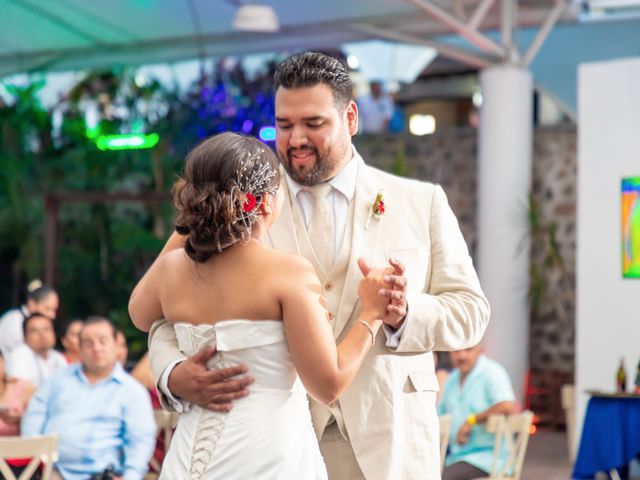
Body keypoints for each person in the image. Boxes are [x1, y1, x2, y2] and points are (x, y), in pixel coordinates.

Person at [148, 52, 490, 480]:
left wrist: (405, 312)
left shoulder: (420, 202)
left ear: (350, 117)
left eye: (313, 124)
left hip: (390, 442)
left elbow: (471, 312)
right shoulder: (241, 209)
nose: (295, 140)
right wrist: (172, 373)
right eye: (285, 125)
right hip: (279, 450)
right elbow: (169, 309)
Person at [129, 132, 392, 479]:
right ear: (266, 202)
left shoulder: (169, 271)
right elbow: (328, 384)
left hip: (188, 458)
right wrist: (372, 314)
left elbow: (139, 315)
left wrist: (194, 222)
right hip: (267, 456)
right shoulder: (287, 272)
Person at [21, 316, 156, 480]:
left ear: (116, 345)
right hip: (50, 472)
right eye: (88, 343)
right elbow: (34, 418)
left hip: (103, 475)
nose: (96, 348)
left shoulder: (132, 391)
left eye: (103, 341)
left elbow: (140, 442)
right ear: (80, 347)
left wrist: (130, 477)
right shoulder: (58, 379)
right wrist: (36, 463)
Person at [438, 345, 516, 480]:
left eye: (468, 350)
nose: (461, 356)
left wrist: (472, 420)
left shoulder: (492, 372)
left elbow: (506, 405)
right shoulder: (451, 379)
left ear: (480, 350)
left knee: (441, 477)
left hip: (489, 459)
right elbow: (438, 418)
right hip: (455, 457)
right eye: (456, 350)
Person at [5, 313, 67, 388]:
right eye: (35, 331)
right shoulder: (19, 356)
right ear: (25, 337)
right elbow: (20, 392)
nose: (42, 335)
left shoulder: (58, 357)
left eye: (46, 329)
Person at [0, 280, 59, 358]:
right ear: (32, 303)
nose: (52, 315)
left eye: (54, 310)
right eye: (47, 309)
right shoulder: (15, 322)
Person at [0, 351, 35, 436]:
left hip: (20, 447)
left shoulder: (25, 387)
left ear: (3, 362)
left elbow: (42, 422)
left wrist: (23, 420)